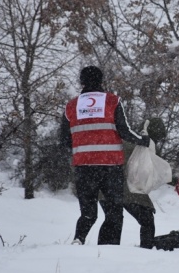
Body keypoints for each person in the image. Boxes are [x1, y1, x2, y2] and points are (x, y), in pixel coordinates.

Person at [60, 66, 150, 245]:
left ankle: (78, 240)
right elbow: (124, 131)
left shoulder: (71, 106)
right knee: (114, 213)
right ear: (101, 80)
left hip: (83, 167)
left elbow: (65, 140)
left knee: (88, 213)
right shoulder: (112, 101)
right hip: (110, 167)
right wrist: (143, 140)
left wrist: (85, 145)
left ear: (81, 81)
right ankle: (109, 250)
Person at [99, 117, 167, 249]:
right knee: (147, 220)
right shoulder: (144, 147)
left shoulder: (126, 141)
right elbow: (149, 172)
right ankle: (146, 251)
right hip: (126, 189)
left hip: (105, 188)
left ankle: (104, 252)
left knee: (112, 221)